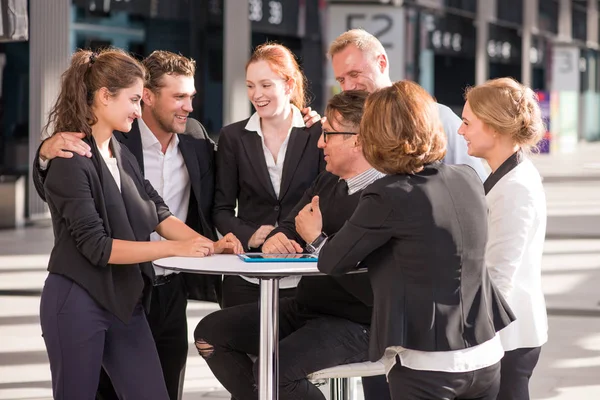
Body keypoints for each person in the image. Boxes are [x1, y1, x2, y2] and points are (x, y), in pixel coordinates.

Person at [33, 50, 243, 400]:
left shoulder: (119, 152)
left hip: (125, 300)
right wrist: (177, 249)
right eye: (133, 99)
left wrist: (207, 244)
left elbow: (158, 213)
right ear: (104, 96)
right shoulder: (70, 159)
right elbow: (98, 247)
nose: (137, 108)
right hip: (77, 301)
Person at [317, 80, 515, 400]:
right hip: (486, 355)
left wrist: (317, 237)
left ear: (377, 136)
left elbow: (332, 261)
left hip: (429, 364)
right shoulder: (466, 177)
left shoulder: (388, 194)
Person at [194, 90, 374, 400]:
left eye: (327, 135)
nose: (320, 143)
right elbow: (292, 225)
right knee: (210, 334)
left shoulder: (385, 195)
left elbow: (366, 276)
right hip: (306, 308)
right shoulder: (327, 181)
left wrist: (317, 239)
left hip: (359, 322)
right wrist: (280, 238)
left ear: (357, 139)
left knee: (274, 371)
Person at [212, 42, 325, 308]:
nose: (256, 94)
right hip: (247, 275)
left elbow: (327, 201)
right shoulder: (233, 137)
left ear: (288, 85)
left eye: (266, 85)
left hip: (307, 276)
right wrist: (250, 235)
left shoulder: (319, 133)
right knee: (223, 343)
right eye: (250, 85)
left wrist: (286, 240)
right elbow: (221, 209)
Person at [458, 77, 548, 400]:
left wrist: (464, 337)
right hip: (505, 333)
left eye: (467, 123)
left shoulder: (516, 187)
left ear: (494, 128)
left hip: (510, 338)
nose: (460, 131)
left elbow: (499, 276)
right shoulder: (507, 175)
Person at [328, 28, 487, 181]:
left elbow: (475, 186)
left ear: (382, 63)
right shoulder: (342, 128)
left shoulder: (437, 118)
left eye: (354, 74)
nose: (348, 87)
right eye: (341, 80)